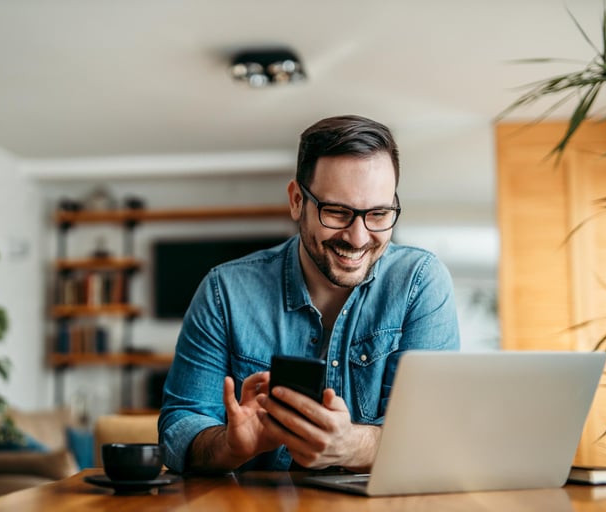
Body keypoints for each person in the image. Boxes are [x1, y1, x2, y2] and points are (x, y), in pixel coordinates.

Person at [158, 114, 460, 474]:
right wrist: (230, 445)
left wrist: (351, 445)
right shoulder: (224, 291)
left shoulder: (420, 282)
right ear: (297, 201)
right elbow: (178, 429)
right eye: (337, 212)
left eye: (378, 214)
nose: (359, 237)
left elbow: (434, 436)